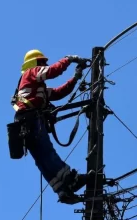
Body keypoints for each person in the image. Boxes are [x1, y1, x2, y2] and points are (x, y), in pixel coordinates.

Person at [11, 49, 91, 204]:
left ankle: (62, 191)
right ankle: (72, 179)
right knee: (46, 152)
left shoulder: (34, 87)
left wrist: (75, 78)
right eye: (42, 62)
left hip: (24, 124)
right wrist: (68, 59)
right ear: (35, 63)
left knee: (41, 158)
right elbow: (53, 71)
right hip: (30, 119)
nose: (45, 65)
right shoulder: (31, 72)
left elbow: (58, 93)